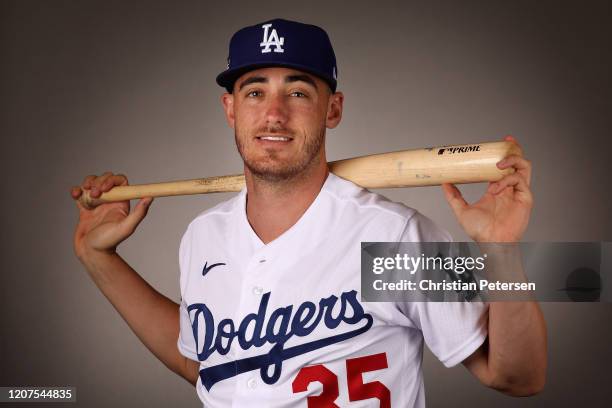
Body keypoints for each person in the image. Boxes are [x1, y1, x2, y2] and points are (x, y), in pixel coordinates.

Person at [71, 18, 546, 407]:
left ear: (332, 109)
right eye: (255, 92)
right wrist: (98, 258)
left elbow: (517, 376)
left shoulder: (390, 239)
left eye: (298, 92)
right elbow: (207, 367)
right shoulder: (204, 235)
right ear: (230, 108)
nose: (274, 113)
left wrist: (501, 251)